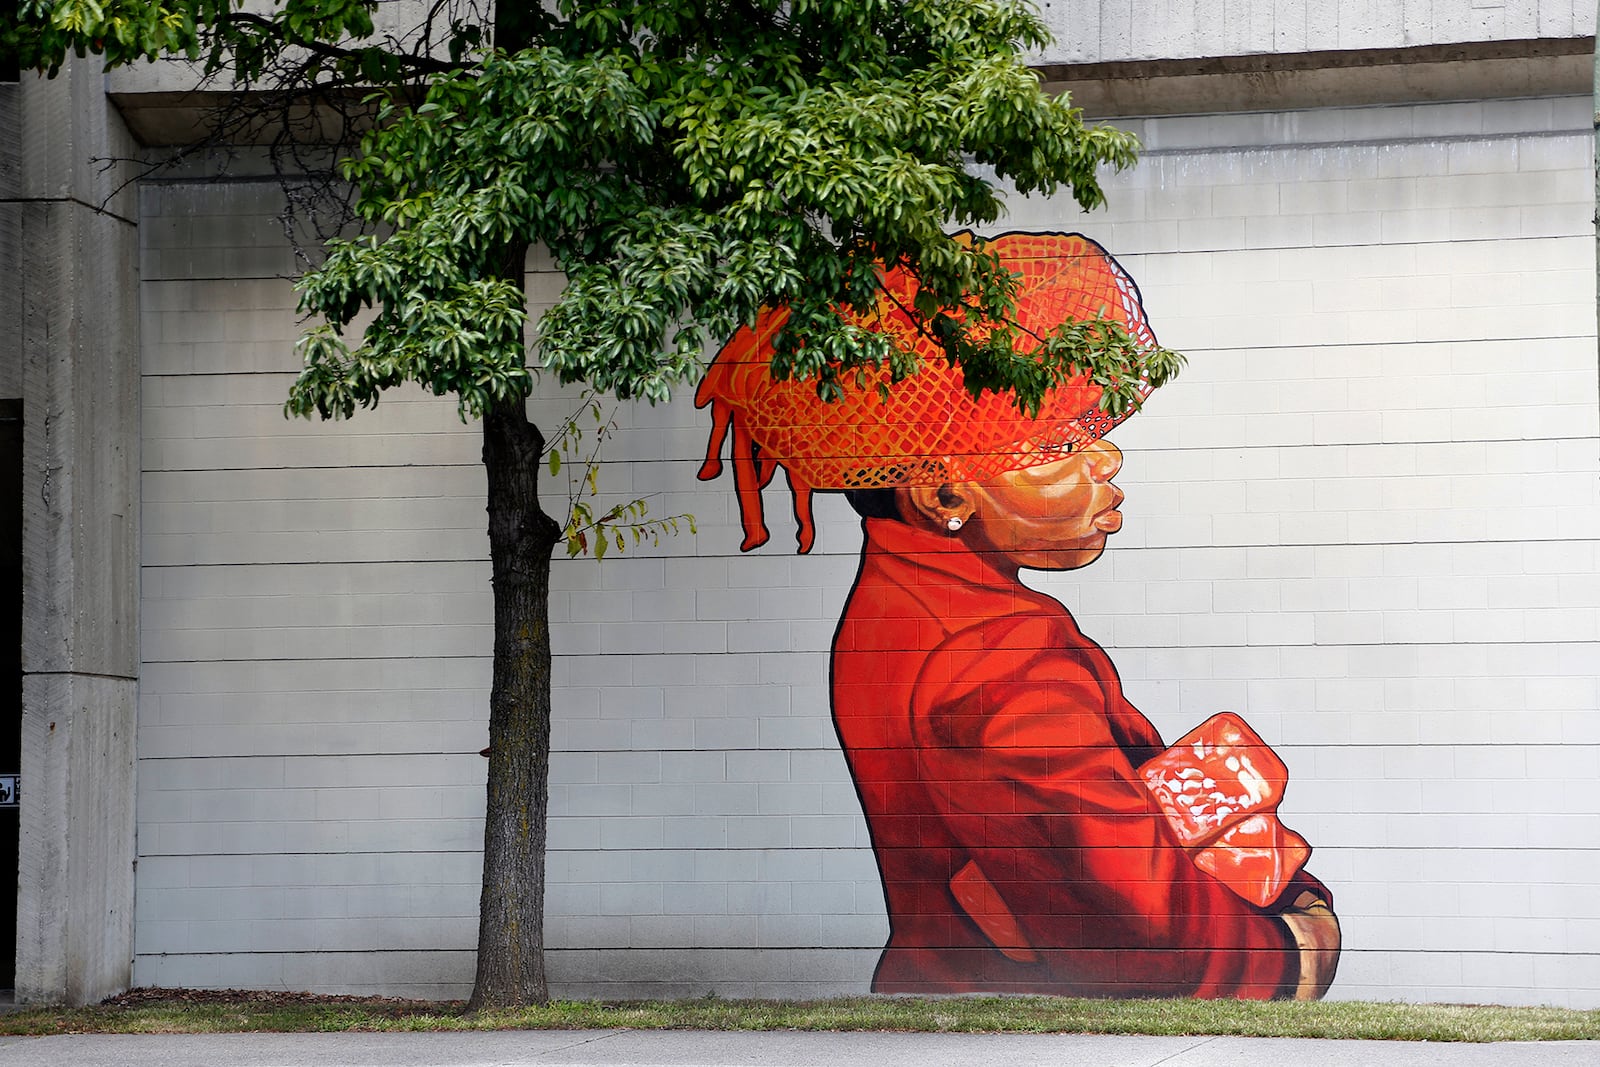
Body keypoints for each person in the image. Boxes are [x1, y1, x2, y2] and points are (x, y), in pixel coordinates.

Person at [696, 231, 1339, 999]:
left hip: (941, 991)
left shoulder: (894, 606)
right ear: (942, 494)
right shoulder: (999, 659)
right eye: (1054, 443)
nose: (1105, 460)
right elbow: (1142, 928)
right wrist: (1291, 948)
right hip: (1025, 1022)